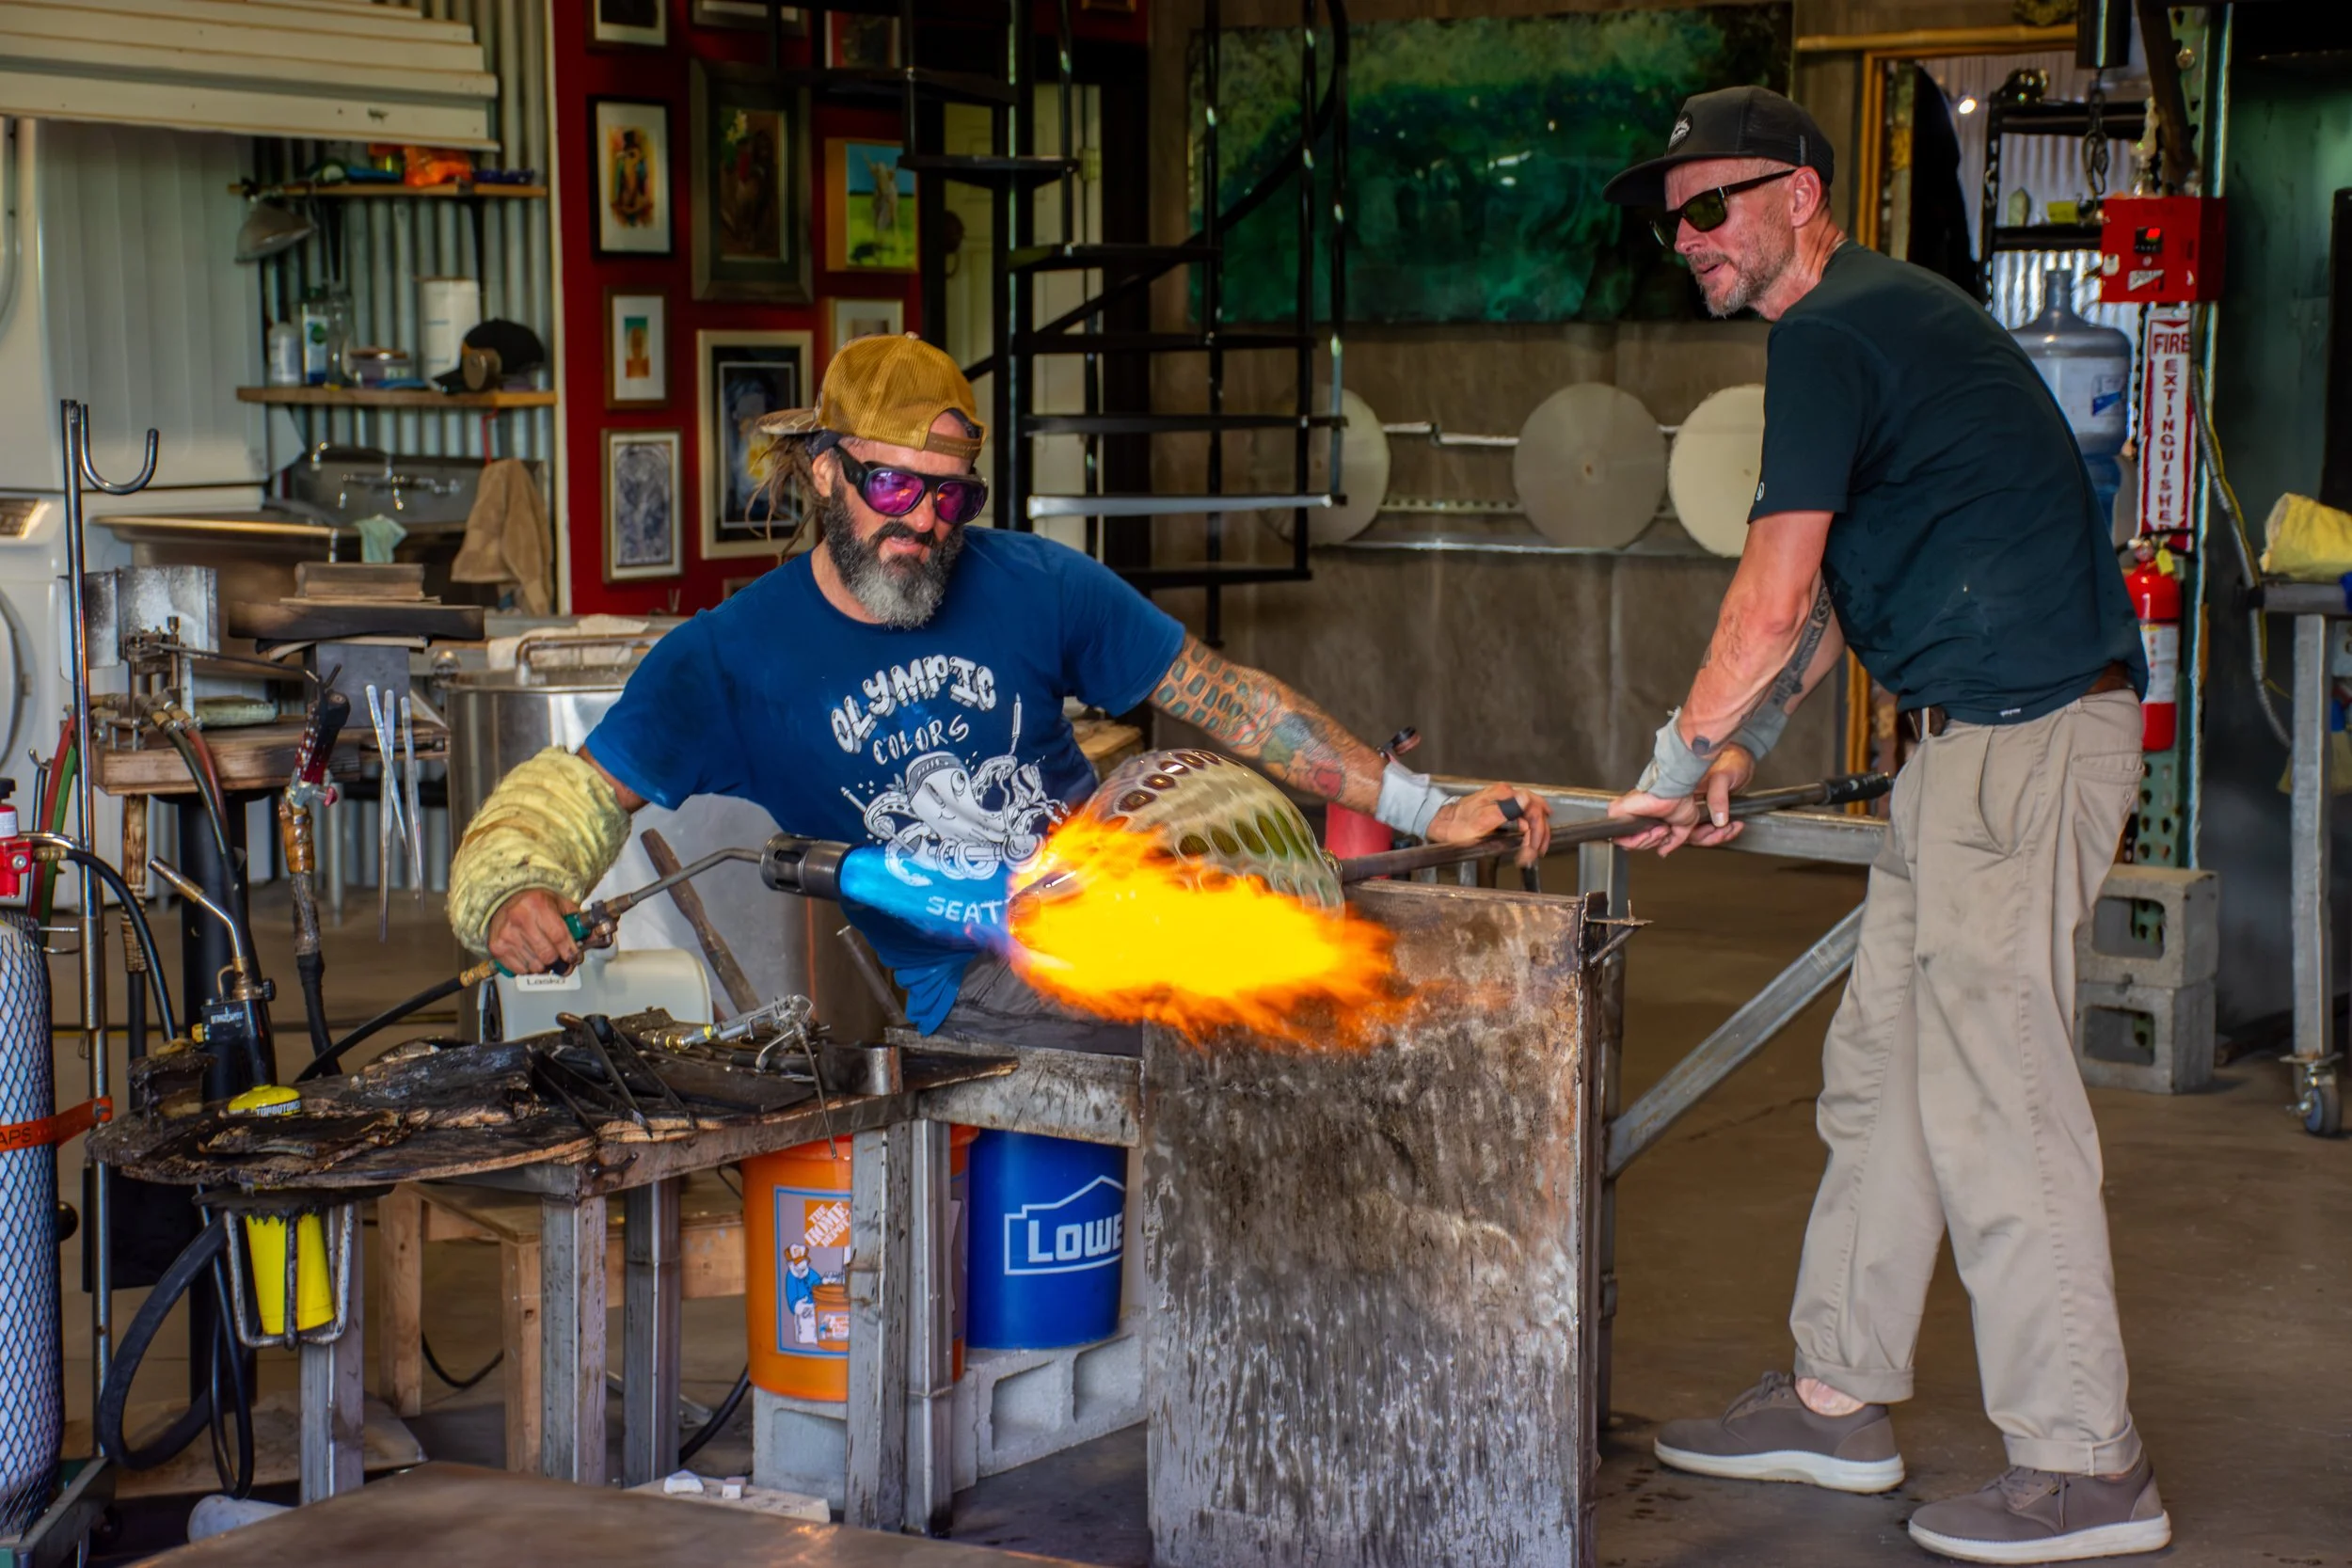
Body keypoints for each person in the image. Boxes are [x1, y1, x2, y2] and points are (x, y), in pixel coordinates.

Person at [1599, 87, 2165, 1564]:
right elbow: (1837, 591)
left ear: (1797, 192)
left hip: (2022, 739)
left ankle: (2087, 1460)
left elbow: (1771, 593)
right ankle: (1836, 1390)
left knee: (1996, 1095)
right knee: (1884, 1076)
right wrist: (1746, 743)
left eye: (1710, 209)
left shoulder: (1832, 329)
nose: (1690, 242)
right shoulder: (1866, 324)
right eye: (1674, 224)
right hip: (1962, 746)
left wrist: (1672, 762)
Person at [448, 332, 1549, 1049]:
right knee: (1244, 1021)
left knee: (1371, 992)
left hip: (1127, 911)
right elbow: (577, 794)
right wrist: (512, 891)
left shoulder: (1034, 582)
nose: (922, 520)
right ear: (826, 469)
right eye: (891, 484)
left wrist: (1418, 804)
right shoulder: (733, 655)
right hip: (974, 986)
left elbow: (1229, 699)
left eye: (947, 496)